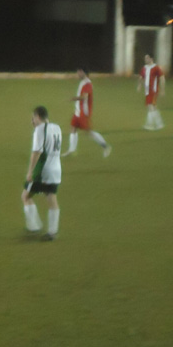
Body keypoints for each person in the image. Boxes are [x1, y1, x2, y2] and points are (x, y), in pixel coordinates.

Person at [22, 106, 62, 241]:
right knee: (51, 198)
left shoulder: (39, 130)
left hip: (43, 170)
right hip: (56, 169)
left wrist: (30, 171)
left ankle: (34, 226)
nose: (32, 121)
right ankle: (52, 232)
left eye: (33, 118)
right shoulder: (57, 127)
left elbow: (36, 152)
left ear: (38, 117)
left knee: (25, 196)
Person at [62, 67, 111, 157]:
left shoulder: (88, 84)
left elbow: (84, 97)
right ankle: (71, 150)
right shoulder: (83, 82)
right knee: (73, 128)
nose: (78, 74)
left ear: (83, 72)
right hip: (78, 111)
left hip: (84, 112)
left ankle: (105, 146)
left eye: (79, 72)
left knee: (88, 132)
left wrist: (73, 98)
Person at [137, 53, 166, 130]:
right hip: (147, 91)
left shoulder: (156, 68)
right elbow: (141, 77)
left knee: (151, 106)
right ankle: (159, 124)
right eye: (145, 58)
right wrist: (139, 85)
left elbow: (162, 78)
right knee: (153, 107)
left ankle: (150, 125)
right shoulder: (144, 68)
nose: (145, 60)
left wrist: (162, 89)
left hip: (153, 90)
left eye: (147, 58)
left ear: (151, 59)